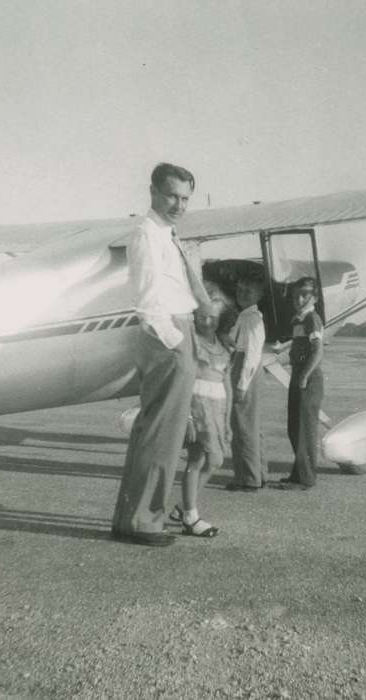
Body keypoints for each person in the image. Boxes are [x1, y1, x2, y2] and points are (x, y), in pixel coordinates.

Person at [111, 162, 212, 546]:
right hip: (167, 334)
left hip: (177, 329)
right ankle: (145, 521)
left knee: (156, 431)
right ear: (152, 191)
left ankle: (133, 517)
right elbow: (148, 301)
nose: (178, 204)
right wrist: (177, 346)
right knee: (162, 435)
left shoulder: (166, 234)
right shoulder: (147, 236)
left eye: (185, 198)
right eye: (171, 195)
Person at [169, 302, 231, 537]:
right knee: (199, 459)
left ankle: (183, 507)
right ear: (195, 317)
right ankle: (190, 517)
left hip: (218, 406)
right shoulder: (192, 342)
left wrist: (228, 422)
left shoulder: (223, 344)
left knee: (215, 460)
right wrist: (187, 416)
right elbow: (184, 377)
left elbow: (226, 383)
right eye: (202, 316)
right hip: (198, 404)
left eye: (212, 317)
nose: (207, 321)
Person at [279, 276, 324, 490]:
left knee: (304, 428)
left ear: (313, 296)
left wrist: (305, 376)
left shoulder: (311, 319)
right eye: (296, 294)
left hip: (308, 377)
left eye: (305, 294)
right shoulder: (298, 320)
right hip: (298, 374)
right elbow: (295, 350)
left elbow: (318, 352)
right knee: (294, 427)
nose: (299, 298)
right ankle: (298, 474)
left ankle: (306, 479)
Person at [226, 275, 267, 491]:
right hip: (245, 368)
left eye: (248, 290)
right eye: (240, 289)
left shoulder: (251, 319)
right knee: (251, 425)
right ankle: (259, 473)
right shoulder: (246, 316)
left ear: (259, 294)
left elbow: (250, 356)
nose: (242, 294)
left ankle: (248, 479)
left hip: (246, 371)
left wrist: (241, 385)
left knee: (243, 426)